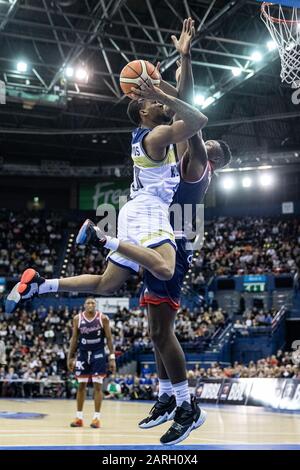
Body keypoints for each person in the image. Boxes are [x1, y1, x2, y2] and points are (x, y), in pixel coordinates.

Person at [5, 71, 208, 314]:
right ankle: (101, 237)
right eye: (154, 102)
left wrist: (176, 69)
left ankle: (41, 285)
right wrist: (160, 91)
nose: (161, 102)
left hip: (134, 210)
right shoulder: (157, 136)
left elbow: (183, 105)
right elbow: (198, 120)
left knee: (107, 284)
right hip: (149, 210)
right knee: (165, 268)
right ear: (143, 113)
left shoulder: (157, 136)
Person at [137, 18, 231, 445]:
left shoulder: (198, 166)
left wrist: (175, 77)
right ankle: (167, 397)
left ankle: (187, 405)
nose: (205, 142)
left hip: (174, 244)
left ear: (214, 160)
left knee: (161, 330)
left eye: (210, 144)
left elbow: (190, 117)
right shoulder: (185, 156)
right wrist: (184, 58)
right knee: (155, 330)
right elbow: (184, 107)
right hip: (159, 236)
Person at [68, 298, 116, 428]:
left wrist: (112, 357)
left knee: (98, 386)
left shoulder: (103, 318)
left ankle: (96, 418)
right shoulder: (77, 319)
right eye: (88, 303)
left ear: (96, 306)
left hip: (98, 354)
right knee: (81, 386)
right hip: (83, 354)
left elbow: (109, 339)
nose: (90, 305)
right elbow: (74, 339)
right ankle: (79, 418)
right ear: (84, 305)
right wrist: (70, 357)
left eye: (92, 303)